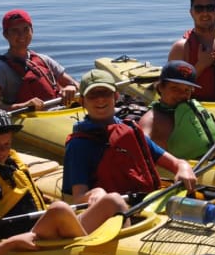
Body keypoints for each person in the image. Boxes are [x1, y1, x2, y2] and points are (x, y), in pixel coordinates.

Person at [0, 107, 127, 243]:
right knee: (59, 210)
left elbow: (24, 197)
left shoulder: (8, 165)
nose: (2, 151)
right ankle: (85, 252)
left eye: (6, 144)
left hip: (47, 232)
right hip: (29, 245)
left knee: (113, 200)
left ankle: (127, 242)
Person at [63, 69, 197, 203]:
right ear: (82, 101)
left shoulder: (130, 131)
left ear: (115, 97)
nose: (100, 99)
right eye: (92, 95)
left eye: (105, 93)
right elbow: (78, 198)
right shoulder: (78, 145)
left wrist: (184, 168)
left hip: (142, 205)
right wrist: (96, 194)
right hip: (108, 213)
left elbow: (176, 163)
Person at [0, 9, 79, 111]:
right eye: (15, 30)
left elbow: (75, 84)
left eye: (26, 29)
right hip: (29, 118)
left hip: (58, 112)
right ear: (6, 35)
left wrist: (71, 87)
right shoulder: (0, 69)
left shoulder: (44, 59)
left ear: (32, 31)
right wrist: (24, 105)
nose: (21, 35)